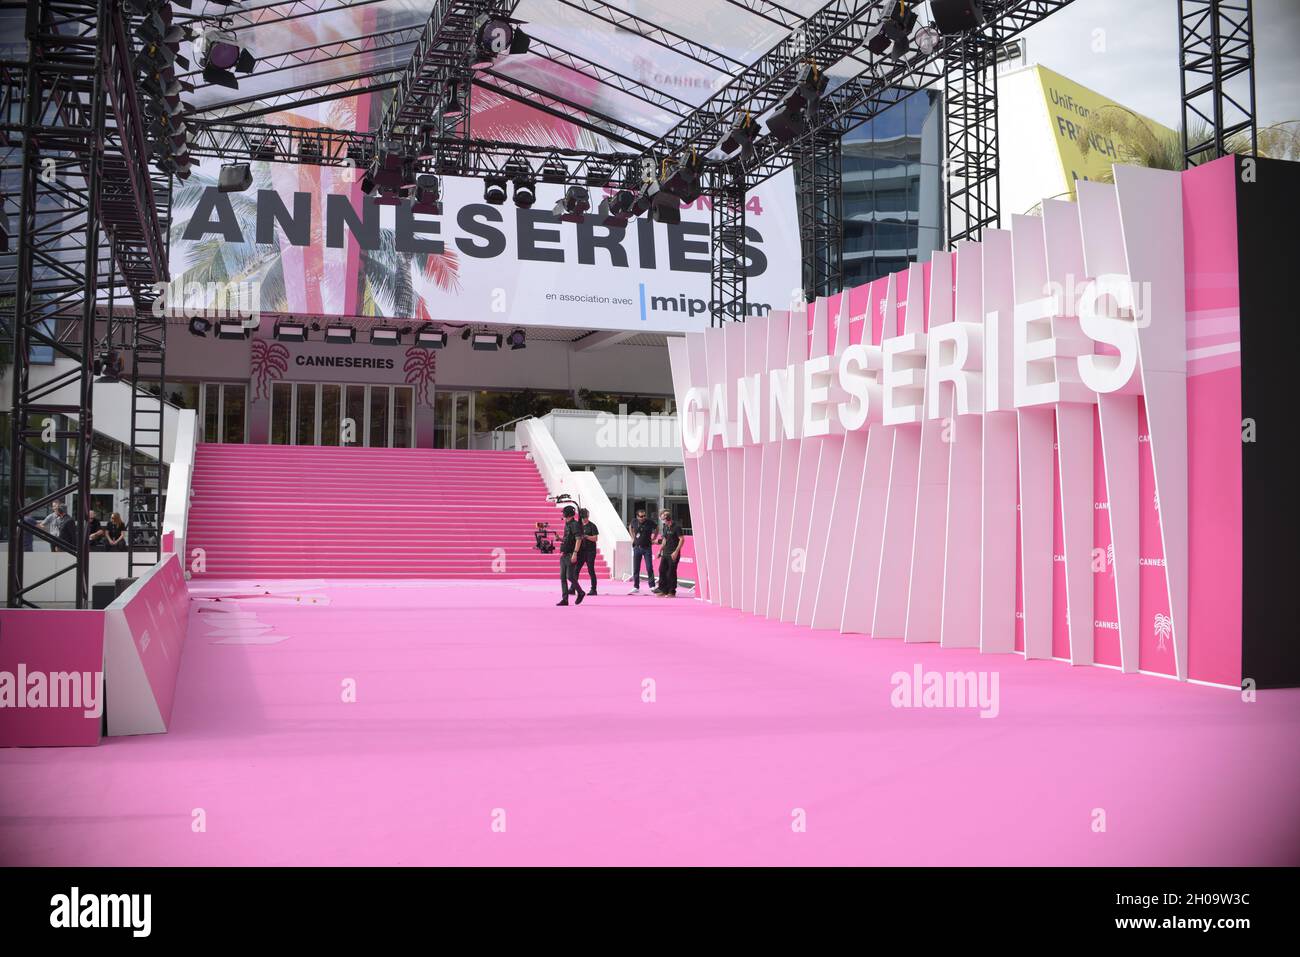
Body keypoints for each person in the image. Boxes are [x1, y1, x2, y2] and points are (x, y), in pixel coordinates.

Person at [556, 505, 585, 606]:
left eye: (564, 513)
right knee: (562, 577)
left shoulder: (575, 525)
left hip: (571, 554)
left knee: (570, 577)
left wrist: (575, 553)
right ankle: (565, 599)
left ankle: (580, 592)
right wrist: (560, 539)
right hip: (564, 554)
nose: (563, 515)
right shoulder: (567, 524)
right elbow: (567, 538)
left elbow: (578, 539)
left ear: (568, 514)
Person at [627, 508, 657, 594]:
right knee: (636, 568)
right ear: (637, 516)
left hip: (647, 548)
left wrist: (654, 538)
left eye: (644, 516)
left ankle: (652, 586)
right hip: (637, 548)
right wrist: (632, 537)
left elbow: (656, 528)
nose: (643, 517)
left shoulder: (649, 522)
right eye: (641, 516)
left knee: (649, 567)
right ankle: (636, 586)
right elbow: (630, 527)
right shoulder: (634, 521)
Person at [654, 509, 683, 598]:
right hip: (665, 553)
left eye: (663, 518)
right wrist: (660, 550)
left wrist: (676, 551)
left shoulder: (676, 527)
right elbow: (664, 540)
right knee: (662, 570)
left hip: (673, 553)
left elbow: (682, 539)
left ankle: (671, 591)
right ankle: (663, 590)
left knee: (671, 572)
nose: (662, 520)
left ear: (667, 518)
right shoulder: (665, 527)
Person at [577, 507, 599, 596]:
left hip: (590, 551)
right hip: (581, 551)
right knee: (576, 570)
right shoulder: (578, 526)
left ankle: (593, 589)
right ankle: (573, 587)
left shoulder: (592, 526)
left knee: (591, 570)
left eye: (586, 517)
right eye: (583, 517)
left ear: (588, 516)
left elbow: (595, 538)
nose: (584, 519)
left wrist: (586, 536)